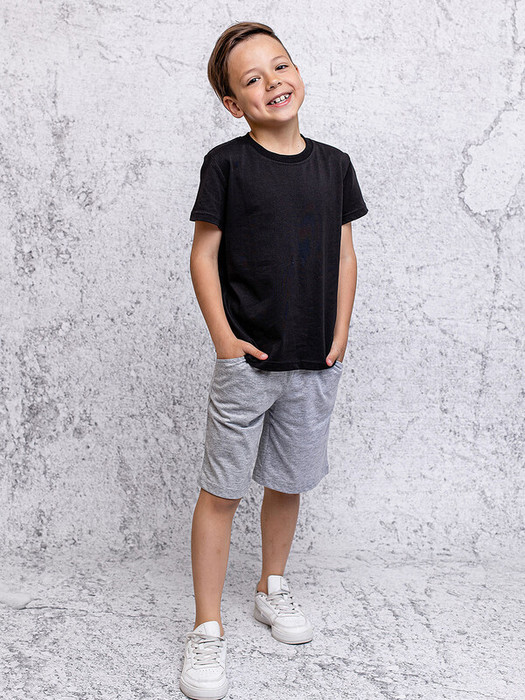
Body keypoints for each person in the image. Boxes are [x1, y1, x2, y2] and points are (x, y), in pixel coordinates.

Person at [180, 20, 368, 700]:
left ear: (297, 72)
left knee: (288, 481)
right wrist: (224, 341)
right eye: (252, 79)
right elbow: (203, 255)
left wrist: (339, 331)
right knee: (222, 490)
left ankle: (272, 586)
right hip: (247, 362)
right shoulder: (226, 165)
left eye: (279, 65)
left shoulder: (334, 165)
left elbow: (345, 254)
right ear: (235, 104)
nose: (272, 82)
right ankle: (206, 627)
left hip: (314, 359)